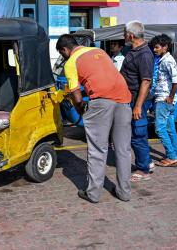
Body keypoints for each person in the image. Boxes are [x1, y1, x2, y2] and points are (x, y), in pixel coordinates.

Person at [56, 34, 132, 203]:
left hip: (101, 102)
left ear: (64, 50)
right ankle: (124, 192)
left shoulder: (70, 62)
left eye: (62, 54)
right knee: (123, 149)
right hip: (124, 99)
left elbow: (75, 92)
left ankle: (93, 193)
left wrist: (81, 108)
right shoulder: (99, 51)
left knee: (98, 149)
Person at [120, 21, 155, 182]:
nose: (123, 35)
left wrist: (138, 106)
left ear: (131, 35)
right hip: (130, 99)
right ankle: (147, 161)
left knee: (137, 134)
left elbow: (146, 81)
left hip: (137, 101)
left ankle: (143, 169)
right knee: (135, 134)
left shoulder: (145, 54)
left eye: (124, 32)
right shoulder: (132, 50)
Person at [149, 34, 177, 167]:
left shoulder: (168, 61)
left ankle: (172, 156)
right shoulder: (161, 60)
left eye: (157, 47)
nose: (154, 50)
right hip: (165, 99)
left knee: (159, 128)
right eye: (154, 47)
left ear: (165, 47)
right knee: (169, 129)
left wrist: (170, 96)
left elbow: (176, 80)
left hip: (164, 99)